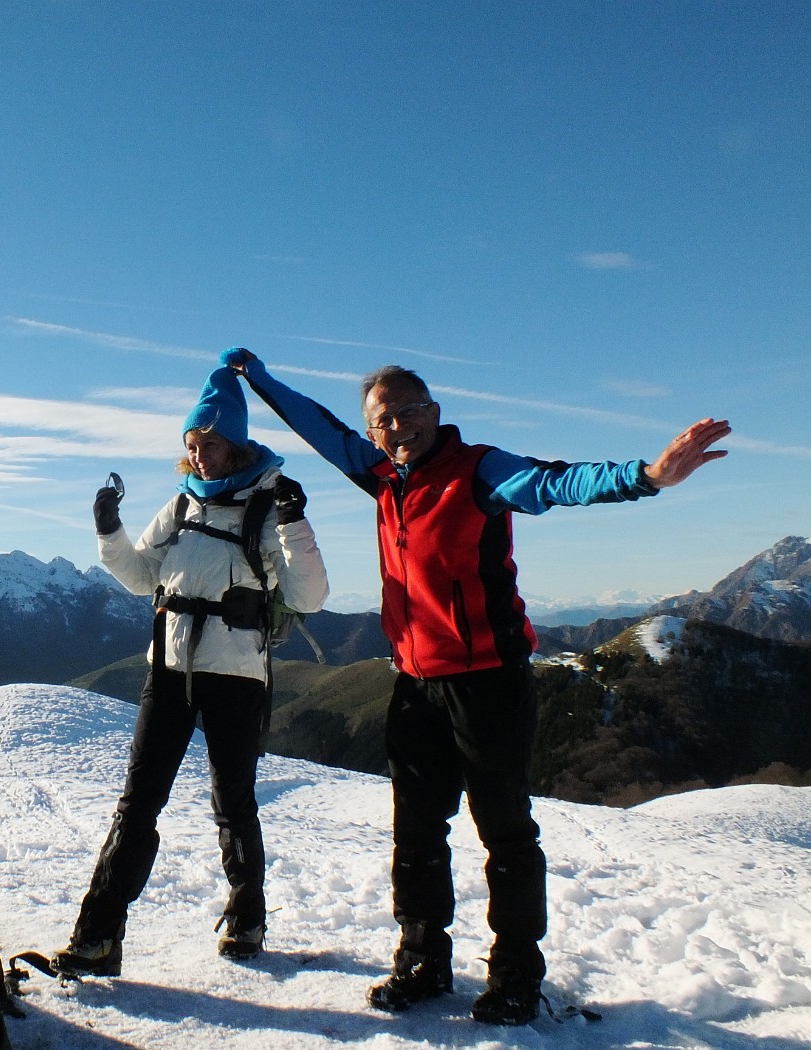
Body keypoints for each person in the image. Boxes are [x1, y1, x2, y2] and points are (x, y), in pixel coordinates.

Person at [222, 347, 730, 1025]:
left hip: (489, 683)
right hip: (414, 683)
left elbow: (554, 482)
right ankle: (423, 962)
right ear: (372, 433)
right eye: (385, 418)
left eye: (412, 411)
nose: (400, 425)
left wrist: (645, 477)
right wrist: (260, 381)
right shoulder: (379, 474)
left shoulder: (479, 471)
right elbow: (318, 428)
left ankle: (516, 976)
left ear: (435, 413)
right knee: (416, 831)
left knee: (506, 834)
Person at [51, 366, 330, 976]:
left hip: (235, 674)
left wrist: (294, 523)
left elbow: (309, 595)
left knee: (233, 800)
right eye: (191, 446)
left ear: (235, 442)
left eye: (208, 443)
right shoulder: (180, 506)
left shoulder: (268, 503)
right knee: (138, 801)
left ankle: (246, 918)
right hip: (170, 667)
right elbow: (142, 577)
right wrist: (109, 530)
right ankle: (97, 935)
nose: (198, 456)